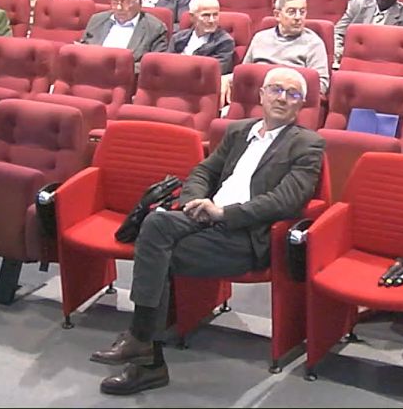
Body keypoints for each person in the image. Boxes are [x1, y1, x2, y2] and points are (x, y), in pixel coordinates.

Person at [93, 67, 325, 396]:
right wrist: (195, 200)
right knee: (157, 225)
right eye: (276, 89)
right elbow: (204, 169)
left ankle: (144, 348)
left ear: (301, 105)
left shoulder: (308, 144)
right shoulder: (238, 131)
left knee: (156, 245)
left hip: (244, 236)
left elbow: (287, 201)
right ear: (261, 94)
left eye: (292, 94)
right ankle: (145, 349)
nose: (282, 98)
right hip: (203, 218)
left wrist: (224, 213)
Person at [227, 0, 329, 104]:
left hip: (289, 103)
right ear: (277, 15)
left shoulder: (314, 43)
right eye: (291, 12)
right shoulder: (260, 38)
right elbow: (244, 73)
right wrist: (226, 79)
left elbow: (321, 85)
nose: (298, 17)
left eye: (302, 11)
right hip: (255, 99)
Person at [80, 0, 168, 71]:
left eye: (125, 2)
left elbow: (153, 65)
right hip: (92, 72)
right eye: (115, 2)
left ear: (139, 2)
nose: (119, 8)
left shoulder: (155, 28)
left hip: (127, 79)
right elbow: (83, 48)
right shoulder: (97, 20)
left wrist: (120, 70)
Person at [168, 0, 234, 75]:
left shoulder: (225, 42)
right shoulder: (177, 38)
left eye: (215, 15)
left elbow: (214, 71)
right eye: (206, 15)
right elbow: (166, 64)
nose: (212, 20)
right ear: (192, 17)